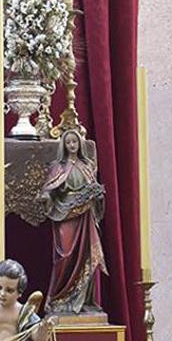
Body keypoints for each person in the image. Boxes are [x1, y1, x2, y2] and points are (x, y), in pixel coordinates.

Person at [38, 127, 106, 315]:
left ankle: (84, 300)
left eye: (74, 142)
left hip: (85, 214)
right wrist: (47, 197)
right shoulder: (58, 167)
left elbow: (94, 189)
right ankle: (60, 297)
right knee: (65, 255)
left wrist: (98, 195)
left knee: (87, 255)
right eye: (68, 142)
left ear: (80, 144)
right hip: (65, 213)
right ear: (63, 145)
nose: (72, 145)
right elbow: (49, 189)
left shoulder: (87, 166)